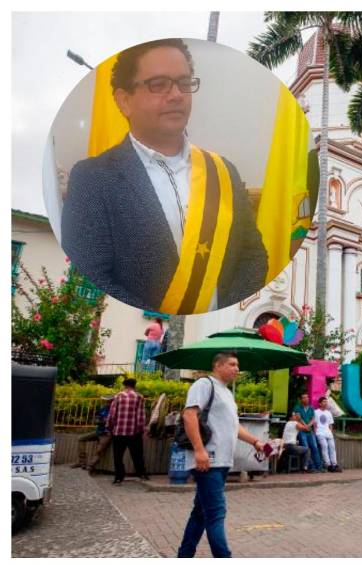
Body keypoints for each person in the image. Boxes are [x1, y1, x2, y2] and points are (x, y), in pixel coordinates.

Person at [61, 38, 267, 314]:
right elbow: (93, 274)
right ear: (124, 101)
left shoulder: (223, 171)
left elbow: (252, 255)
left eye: (184, 83)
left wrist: (219, 311)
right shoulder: (93, 178)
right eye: (158, 85)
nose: (176, 95)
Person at [177, 352, 270, 558]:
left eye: (238, 365)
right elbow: (189, 415)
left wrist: (256, 442)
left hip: (222, 462)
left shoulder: (227, 393)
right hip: (209, 460)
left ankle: (184, 556)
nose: (237, 369)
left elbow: (234, 427)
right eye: (232, 364)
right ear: (217, 365)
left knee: (200, 514)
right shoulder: (204, 385)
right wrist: (200, 450)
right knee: (216, 514)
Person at [107, 378, 149, 485]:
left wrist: (110, 426)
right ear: (134, 386)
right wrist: (142, 429)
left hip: (118, 432)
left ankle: (118, 477)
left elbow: (112, 414)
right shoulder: (139, 397)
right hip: (133, 432)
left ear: (124, 385)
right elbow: (141, 416)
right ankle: (142, 474)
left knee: (118, 456)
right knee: (137, 454)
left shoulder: (117, 396)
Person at [73, 394, 114, 473]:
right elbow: (96, 419)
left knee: (99, 450)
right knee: (81, 438)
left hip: (107, 433)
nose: (107, 403)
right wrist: (100, 421)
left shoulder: (116, 410)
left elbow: (111, 422)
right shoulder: (103, 409)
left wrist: (102, 421)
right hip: (98, 431)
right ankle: (82, 462)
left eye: (109, 401)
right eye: (106, 401)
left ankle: (91, 465)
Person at [293, 393, 324, 472]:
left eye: (307, 397)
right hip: (302, 431)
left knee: (315, 447)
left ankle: (319, 466)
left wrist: (308, 426)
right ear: (300, 400)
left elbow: (313, 419)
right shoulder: (297, 408)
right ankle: (311, 467)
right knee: (306, 448)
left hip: (310, 431)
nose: (306, 399)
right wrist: (305, 426)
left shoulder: (311, 408)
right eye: (304, 398)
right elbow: (298, 418)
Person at [314, 396, 341, 472]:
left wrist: (331, 432)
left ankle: (335, 464)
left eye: (326, 402)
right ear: (320, 403)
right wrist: (316, 432)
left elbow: (330, 424)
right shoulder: (316, 412)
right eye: (324, 402)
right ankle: (328, 465)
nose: (325, 403)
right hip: (320, 432)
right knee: (324, 446)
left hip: (328, 432)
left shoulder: (329, 413)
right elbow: (315, 424)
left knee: (332, 447)